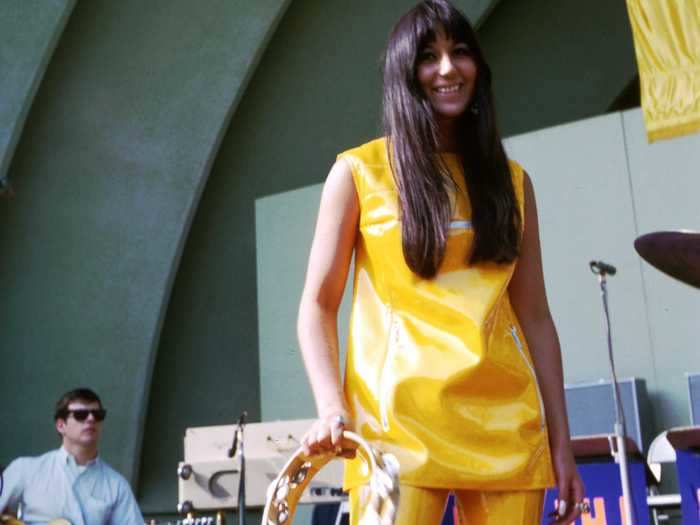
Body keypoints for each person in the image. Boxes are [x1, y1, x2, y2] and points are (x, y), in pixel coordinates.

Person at [296, 1, 586, 524]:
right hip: (393, 435)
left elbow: (537, 319)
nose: (448, 68)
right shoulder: (358, 173)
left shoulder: (513, 182)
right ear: (404, 74)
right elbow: (317, 305)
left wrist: (560, 444)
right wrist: (330, 407)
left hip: (507, 431)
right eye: (429, 57)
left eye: (460, 52)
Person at [0, 388, 144, 525]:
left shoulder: (117, 485)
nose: (91, 419)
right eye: (80, 415)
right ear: (61, 425)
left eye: (98, 415)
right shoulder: (25, 469)